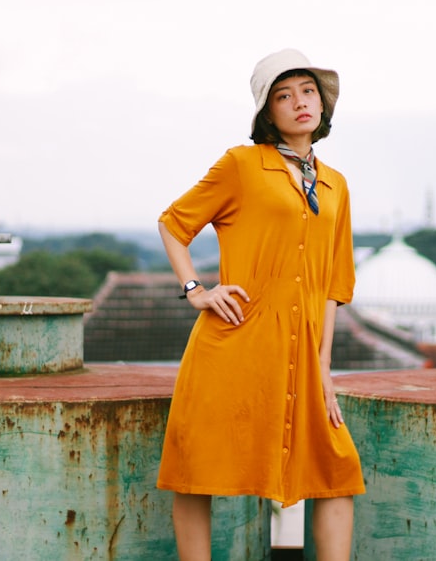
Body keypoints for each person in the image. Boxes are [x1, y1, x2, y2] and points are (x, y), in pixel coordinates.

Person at [156, 49, 365, 560]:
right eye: (284, 95)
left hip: (302, 356)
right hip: (233, 344)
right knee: (197, 470)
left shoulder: (335, 185)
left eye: (308, 91)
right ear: (266, 114)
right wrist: (197, 292)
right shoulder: (241, 165)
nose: (299, 102)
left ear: (323, 106)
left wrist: (324, 368)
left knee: (335, 471)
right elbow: (173, 223)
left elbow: (334, 286)